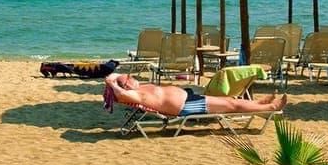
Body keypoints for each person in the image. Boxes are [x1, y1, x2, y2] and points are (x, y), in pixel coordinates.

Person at [103, 73, 287, 116]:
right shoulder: (133, 95)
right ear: (125, 85)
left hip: (188, 99)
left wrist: (115, 79)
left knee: (229, 101)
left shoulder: (137, 89)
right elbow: (116, 88)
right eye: (128, 77)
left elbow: (115, 80)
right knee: (232, 106)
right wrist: (111, 83)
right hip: (186, 106)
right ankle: (270, 107)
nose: (132, 76)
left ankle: (258, 103)